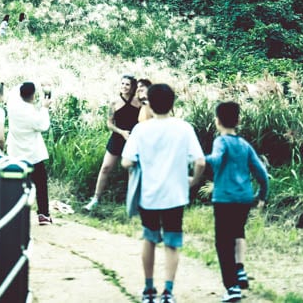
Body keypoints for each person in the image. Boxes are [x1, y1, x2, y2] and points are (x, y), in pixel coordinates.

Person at [121, 83, 206, 303]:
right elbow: (200, 161)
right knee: (172, 242)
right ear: (172, 103)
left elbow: (126, 161)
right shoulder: (183, 128)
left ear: (148, 103)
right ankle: (168, 292)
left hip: (149, 195)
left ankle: (148, 290)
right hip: (175, 195)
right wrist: (193, 180)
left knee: (149, 239)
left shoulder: (141, 130)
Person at [206, 101, 270, 303]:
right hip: (244, 199)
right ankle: (239, 272)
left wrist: (197, 158)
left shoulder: (221, 141)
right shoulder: (244, 145)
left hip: (225, 199)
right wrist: (262, 195)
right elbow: (262, 174)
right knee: (237, 232)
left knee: (223, 243)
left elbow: (215, 160)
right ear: (239, 120)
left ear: (217, 121)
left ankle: (232, 287)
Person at [84, 74, 141, 211]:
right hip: (117, 138)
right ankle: (96, 199)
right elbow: (109, 124)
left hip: (133, 139)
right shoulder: (114, 103)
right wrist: (121, 132)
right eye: (122, 84)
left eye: (127, 84)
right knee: (105, 168)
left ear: (132, 86)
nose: (124, 87)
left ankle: (131, 203)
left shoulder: (138, 102)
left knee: (131, 170)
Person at [7, 81, 53, 225]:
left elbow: (16, 89)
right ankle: (43, 214)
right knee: (41, 184)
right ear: (33, 96)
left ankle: (15, 213)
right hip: (33, 155)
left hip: (15, 153)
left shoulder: (12, 104)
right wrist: (45, 107)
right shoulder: (32, 113)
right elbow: (44, 126)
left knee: (17, 185)